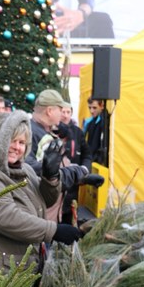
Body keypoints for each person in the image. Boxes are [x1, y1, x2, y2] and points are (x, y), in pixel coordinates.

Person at [0, 110, 84, 272]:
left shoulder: (24, 169)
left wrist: (50, 177)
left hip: (18, 266)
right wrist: (53, 231)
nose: (17, 148)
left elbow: (45, 201)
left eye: (22, 142)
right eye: (12, 140)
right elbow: (5, 216)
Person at [26, 90, 104, 223]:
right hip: (37, 215)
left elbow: (55, 169)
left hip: (49, 212)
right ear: (50, 111)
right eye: (61, 109)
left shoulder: (46, 132)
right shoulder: (30, 133)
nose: (63, 114)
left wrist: (81, 177)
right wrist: (76, 172)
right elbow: (33, 170)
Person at [83, 98, 106, 163]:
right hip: (92, 159)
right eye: (89, 108)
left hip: (98, 161)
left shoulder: (105, 121)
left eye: (94, 108)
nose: (91, 111)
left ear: (102, 106)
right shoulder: (90, 121)